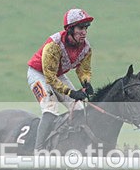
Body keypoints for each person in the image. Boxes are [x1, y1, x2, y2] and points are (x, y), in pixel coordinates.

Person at [27, 8, 95, 151]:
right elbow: (50, 78)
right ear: (70, 29)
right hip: (38, 74)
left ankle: (69, 141)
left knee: (79, 109)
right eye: (80, 28)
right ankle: (38, 150)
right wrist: (71, 93)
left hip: (57, 75)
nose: (84, 32)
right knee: (50, 108)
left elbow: (83, 69)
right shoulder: (53, 45)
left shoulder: (86, 47)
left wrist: (86, 82)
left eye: (86, 28)